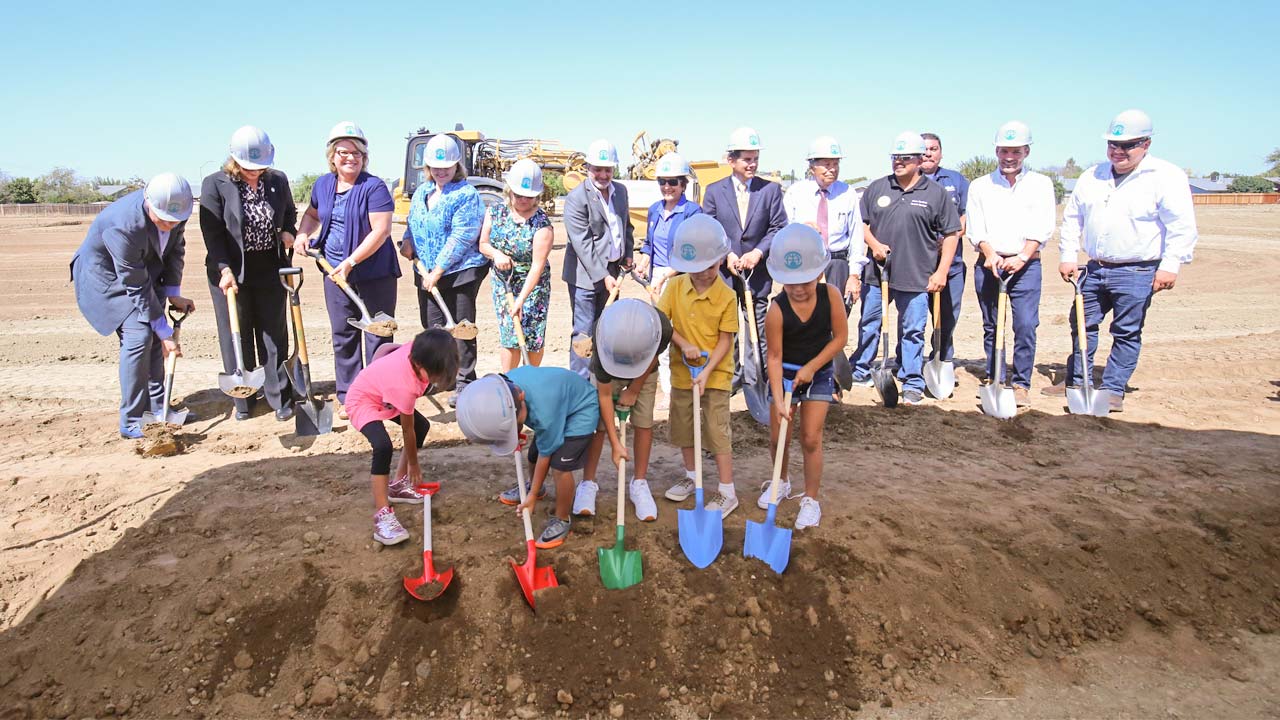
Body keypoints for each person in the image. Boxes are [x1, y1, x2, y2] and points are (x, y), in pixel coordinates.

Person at [1044, 109, 1198, 412]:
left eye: (1127, 145)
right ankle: (1078, 380)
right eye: (1113, 144)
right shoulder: (1093, 176)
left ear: (1146, 144)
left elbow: (1182, 226)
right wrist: (1067, 256)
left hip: (1138, 270)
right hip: (1094, 268)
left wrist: (1170, 266)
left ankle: (1113, 388)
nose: (1118, 151)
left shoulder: (1165, 177)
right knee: (1081, 325)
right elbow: (1073, 219)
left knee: (1126, 331)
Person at [72, 173, 197, 439]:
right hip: (106, 279)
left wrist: (173, 293)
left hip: (142, 274)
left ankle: (159, 408)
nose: (168, 225)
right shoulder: (123, 226)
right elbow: (135, 284)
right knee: (140, 337)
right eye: (162, 219)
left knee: (151, 333)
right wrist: (164, 333)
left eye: (174, 221)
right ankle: (132, 419)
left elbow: (175, 249)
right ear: (148, 202)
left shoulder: (177, 210)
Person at [292, 122, 397, 420]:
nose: (350, 157)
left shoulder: (373, 187)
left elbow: (381, 230)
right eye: (343, 152)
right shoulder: (323, 185)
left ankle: (378, 396)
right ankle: (349, 395)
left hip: (373, 273)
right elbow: (312, 214)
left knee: (377, 334)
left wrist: (351, 262)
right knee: (344, 334)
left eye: (356, 153)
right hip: (333, 272)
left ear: (364, 157)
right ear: (332, 156)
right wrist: (303, 233)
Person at [850, 132, 962, 405]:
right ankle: (861, 369)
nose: (898, 162)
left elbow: (951, 234)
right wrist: (874, 244)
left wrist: (941, 272)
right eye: (894, 157)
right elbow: (861, 224)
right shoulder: (877, 188)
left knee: (912, 329)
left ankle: (912, 379)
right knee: (869, 323)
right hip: (879, 274)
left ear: (918, 159)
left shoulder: (935, 194)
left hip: (917, 275)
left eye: (904, 158)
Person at [200, 125, 298, 422]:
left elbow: (290, 214)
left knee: (273, 334)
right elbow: (212, 232)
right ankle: (243, 400)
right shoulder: (215, 184)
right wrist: (224, 268)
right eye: (248, 166)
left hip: (269, 266)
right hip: (229, 269)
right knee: (236, 334)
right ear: (234, 160)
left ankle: (279, 396)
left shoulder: (277, 180)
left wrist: (289, 233)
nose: (255, 171)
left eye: (260, 166)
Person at [762, 224, 847, 529]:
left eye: (805, 281)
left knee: (810, 437)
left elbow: (840, 338)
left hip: (818, 371)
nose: (798, 289)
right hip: (783, 374)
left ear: (819, 273)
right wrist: (777, 395)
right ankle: (781, 481)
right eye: (790, 283)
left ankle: (810, 499)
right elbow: (773, 356)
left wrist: (812, 367)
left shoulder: (831, 296)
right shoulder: (776, 309)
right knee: (777, 436)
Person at [966, 121, 1056, 407]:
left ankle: (1020, 382)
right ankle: (995, 376)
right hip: (989, 264)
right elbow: (976, 227)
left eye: (1015, 151)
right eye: (1004, 150)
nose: (1009, 157)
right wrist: (989, 253)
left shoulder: (1041, 184)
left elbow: (1043, 226)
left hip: (1026, 266)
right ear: (996, 151)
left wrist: (1023, 256)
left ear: (1026, 151)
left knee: (1026, 325)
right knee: (993, 325)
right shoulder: (981, 186)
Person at [458, 369, 600, 549]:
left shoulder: (544, 413)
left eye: (517, 424)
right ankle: (537, 487)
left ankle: (562, 518)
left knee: (560, 468)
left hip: (581, 410)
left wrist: (530, 497)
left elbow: (546, 455)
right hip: (558, 406)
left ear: (522, 398)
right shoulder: (503, 389)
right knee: (533, 453)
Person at [656, 215, 740, 517]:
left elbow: (726, 341)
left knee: (716, 430)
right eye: (697, 268)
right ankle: (692, 476)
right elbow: (662, 322)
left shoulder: (727, 296)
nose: (705, 274)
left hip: (715, 374)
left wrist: (705, 372)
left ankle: (727, 491)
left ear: (720, 260)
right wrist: (682, 343)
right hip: (682, 373)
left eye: (712, 266)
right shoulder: (675, 287)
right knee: (684, 427)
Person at [346, 329, 459, 545]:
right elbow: (407, 430)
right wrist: (414, 466)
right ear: (419, 364)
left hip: (384, 394)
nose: (437, 380)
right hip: (363, 400)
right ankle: (382, 515)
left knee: (422, 426)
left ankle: (397, 486)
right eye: (435, 375)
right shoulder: (404, 385)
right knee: (383, 446)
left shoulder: (420, 351)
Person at [402, 134, 487, 404]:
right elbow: (413, 221)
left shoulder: (466, 194)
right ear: (427, 167)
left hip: (459, 271)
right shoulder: (422, 192)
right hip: (426, 272)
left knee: (461, 329)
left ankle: (464, 380)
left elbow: (463, 236)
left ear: (456, 166)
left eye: (446, 167)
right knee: (432, 328)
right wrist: (407, 240)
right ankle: (440, 378)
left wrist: (438, 270)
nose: (441, 171)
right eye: (436, 167)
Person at [701, 127, 788, 380]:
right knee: (727, 326)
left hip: (757, 273)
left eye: (755, 159)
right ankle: (731, 373)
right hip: (726, 273)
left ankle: (756, 375)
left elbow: (778, 226)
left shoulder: (769, 190)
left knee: (758, 326)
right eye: (746, 159)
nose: (752, 164)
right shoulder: (715, 191)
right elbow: (711, 227)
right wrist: (726, 253)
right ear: (731, 160)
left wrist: (758, 253)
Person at [579, 299, 673, 521]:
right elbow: (604, 396)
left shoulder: (661, 328)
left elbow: (652, 358)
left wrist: (634, 389)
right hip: (609, 373)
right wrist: (616, 444)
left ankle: (639, 482)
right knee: (598, 426)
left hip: (645, 372)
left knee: (644, 422)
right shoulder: (603, 336)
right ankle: (588, 483)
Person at [562, 139, 634, 378]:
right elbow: (582, 243)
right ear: (587, 168)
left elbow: (626, 226)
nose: (603, 174)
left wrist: (628, 254)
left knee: (607, 329)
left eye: (608, 169)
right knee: (584, 333)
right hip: (585, 277)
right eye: (598, 169)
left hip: (613, 273)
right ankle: (581, 384)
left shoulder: (620, 191)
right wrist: (602, 275)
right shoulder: (576, 198)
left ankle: (602, 381)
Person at [478, 158, 553, 371]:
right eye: (518, 194)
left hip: (534, 286)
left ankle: (531, 379)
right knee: (510, 333)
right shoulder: (495, 212)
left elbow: (537, 266)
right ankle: (509, 383)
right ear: (509, 190)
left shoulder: (542, 224)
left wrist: (521, 300)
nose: (522, 200)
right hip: (504, 282)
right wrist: (496, 254)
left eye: (528, 196)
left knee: (533, 334)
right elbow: (483, 244)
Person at [637, 151, 700, 393]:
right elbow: (649, 245)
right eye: (662, 181)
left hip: (680, 279)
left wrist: (666, 276)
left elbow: (692, 252)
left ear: (683, 184)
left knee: (682, 331)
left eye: (673, 182)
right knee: (661, 331)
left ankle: (685, 384)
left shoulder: (693, 212)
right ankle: (668, 390)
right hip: (657, 278)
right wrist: (644, 261)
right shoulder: (654, 210)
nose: (667, 187)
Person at [783, 136, 866, 311]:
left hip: (837, 264)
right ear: (812, 166)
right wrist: (801, 231)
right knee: (805, 319)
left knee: (837, 318)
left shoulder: (847, 193)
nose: (832, 169)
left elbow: (856, 237)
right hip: (804, 265)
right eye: (827, 164)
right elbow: (783, 233)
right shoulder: (795, 193)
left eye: (835, 164)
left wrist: (854, 275)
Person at [920, 133, 970, 373]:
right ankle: (906, 362)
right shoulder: (908, 179)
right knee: (913, 318)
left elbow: (966, 215)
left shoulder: (957, 180)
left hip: (952, 264)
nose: (928, 153)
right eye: (924, 149)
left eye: (933, 148)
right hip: (918, 263)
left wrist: (949, 237)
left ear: (941, 152)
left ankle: (942, 359)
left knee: (947, 316)